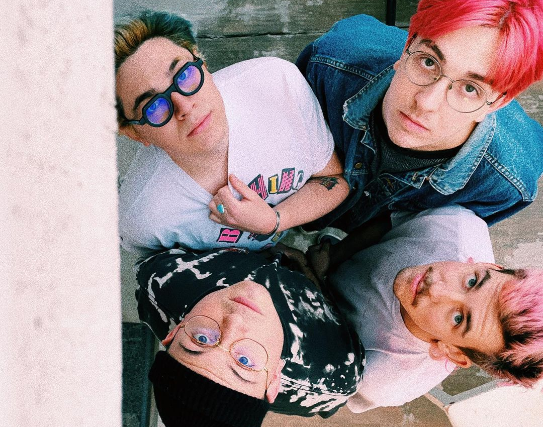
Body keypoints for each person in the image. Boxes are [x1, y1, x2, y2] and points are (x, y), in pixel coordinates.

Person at [296, 0, 543, 252]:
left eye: (470, 88)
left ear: (497, 103)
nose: (426, 103)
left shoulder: (506, 182)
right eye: (428, 62)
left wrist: (340, 254)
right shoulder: (329, 65)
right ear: (406, 48)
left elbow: (427, 227)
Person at [115, 11, 349, 258]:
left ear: (203, 64)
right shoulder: (142, 219)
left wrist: (276, 220)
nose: (184, 106)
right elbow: (161, 269)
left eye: (184, 75)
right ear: (134, 133)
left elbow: (333, 178)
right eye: (153, 106)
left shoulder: (279, 87)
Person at [325, 205, 543, 412]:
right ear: (488, 265)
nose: (436, 288)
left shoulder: (383, 379)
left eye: (458, 318)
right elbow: (389, 223)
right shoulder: (456, 226)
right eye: (472, 281)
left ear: (454, 352)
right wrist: (331, 255)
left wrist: (314, 277)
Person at [136, 246, 365, 425]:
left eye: (202, 339)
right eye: (244, 361)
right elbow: (338, 319)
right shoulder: (335, 374)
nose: (234, 322)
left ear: (175, 331)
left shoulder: (162, 281)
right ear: (273, 380)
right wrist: (313, 272)